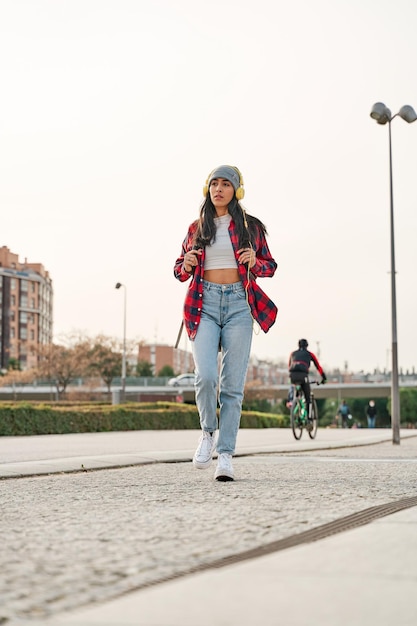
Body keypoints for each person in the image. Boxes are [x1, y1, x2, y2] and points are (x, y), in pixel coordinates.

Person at [174, 165, 277, 481]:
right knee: (205, 376)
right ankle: (208, 433)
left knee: (232, 387)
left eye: (225, 184)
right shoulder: (196, 228)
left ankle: (226, 456)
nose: (218, 189)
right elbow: (179, 269)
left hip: (238, 305)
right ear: (208, 189)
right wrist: (187, 263)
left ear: (237, 191)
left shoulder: (251, 227)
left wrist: (253, 262)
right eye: (214, 184)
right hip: (203, 304)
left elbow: (269, 266)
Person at [288, 339, 326, 420]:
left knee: (296, 392)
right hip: (303, 376)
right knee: (308, 397)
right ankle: (309, 418)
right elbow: (318, 367)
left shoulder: (292, 353)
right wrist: (324, 378)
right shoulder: (310, 354)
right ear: (307, 346)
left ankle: (294, 402)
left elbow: (289, 366)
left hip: (292, 376)